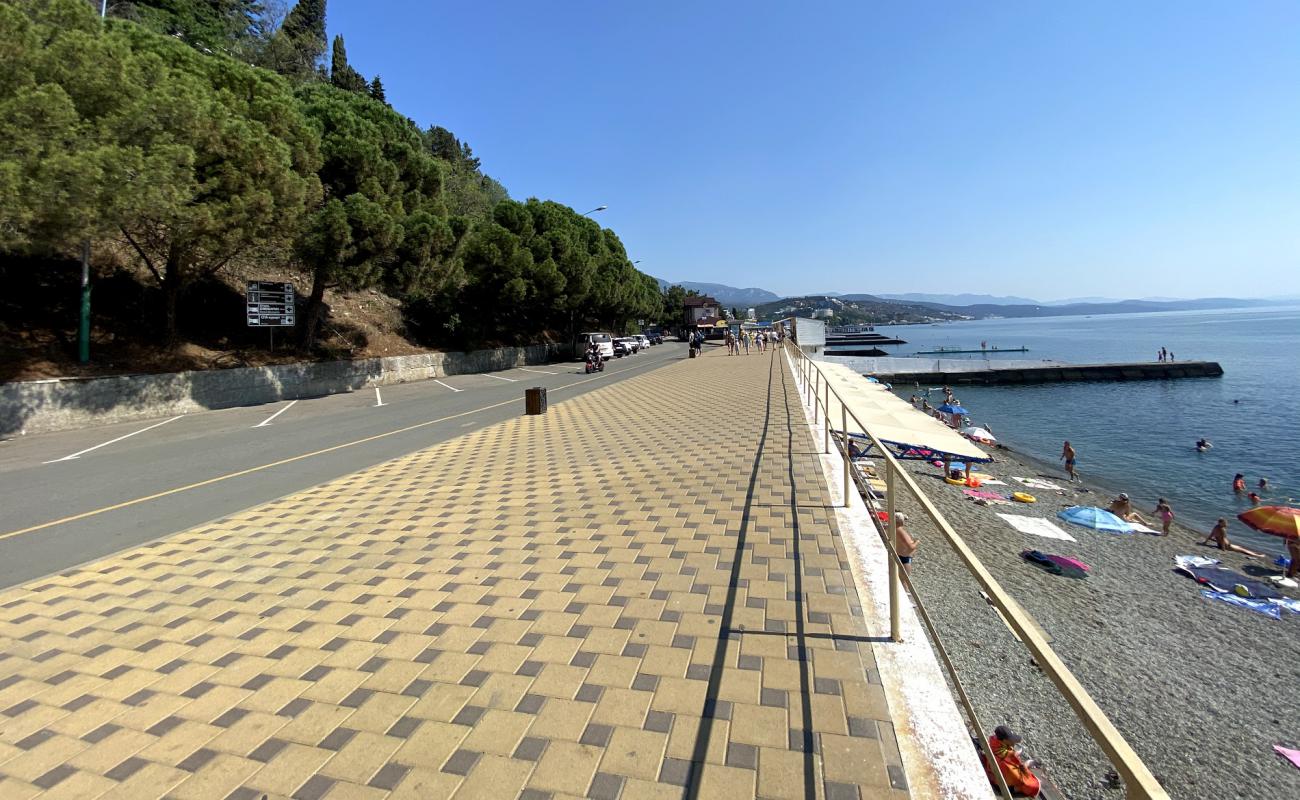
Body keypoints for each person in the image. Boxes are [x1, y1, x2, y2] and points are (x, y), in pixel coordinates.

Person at [983, 726, 1041, 798]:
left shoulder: (994, 742)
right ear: (1004, 740)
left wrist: (1014, 753)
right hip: (1000, 785)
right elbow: (1019, 778)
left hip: (992, 771)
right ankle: (1029, 764)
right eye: (1010, 739)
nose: (1013, 741)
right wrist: (1026, 765)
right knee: (1034, 785)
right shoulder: (1005, 763)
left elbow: (1007, 754)